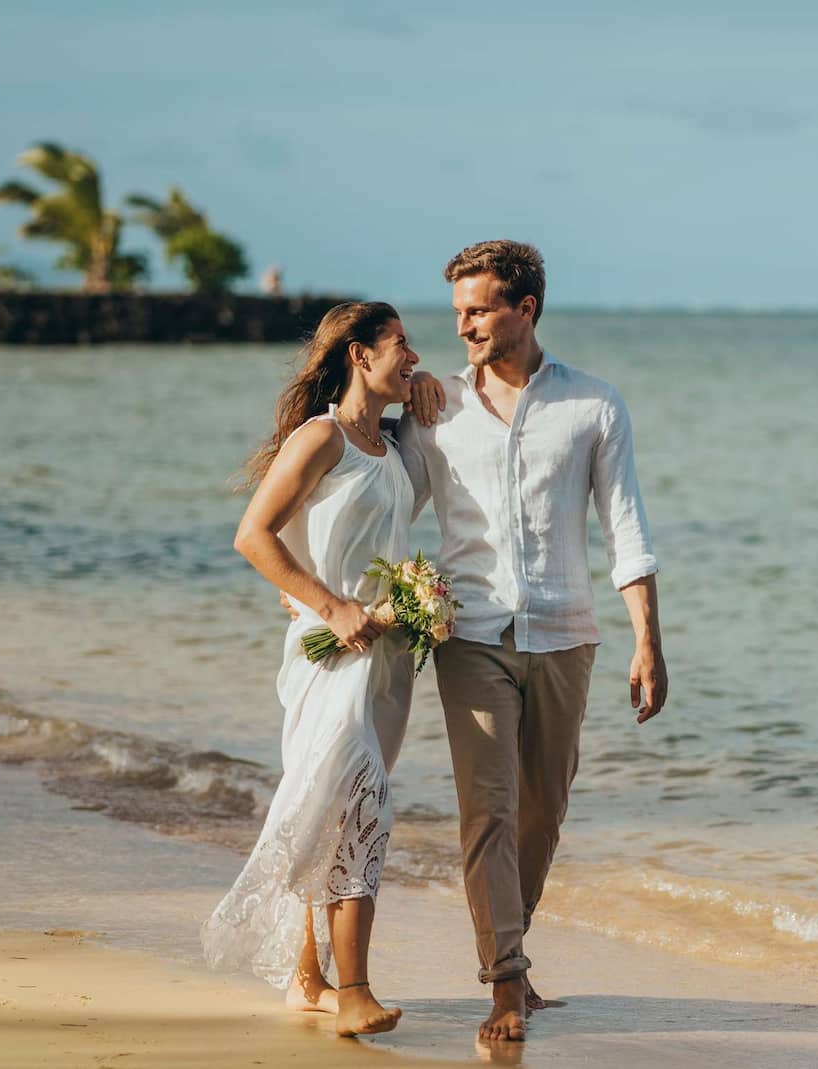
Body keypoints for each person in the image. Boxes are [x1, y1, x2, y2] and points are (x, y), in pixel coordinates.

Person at [400, 239, 669, 1043]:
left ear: (527, 308)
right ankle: (506, 983)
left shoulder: (593, 405)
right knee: (487, 808)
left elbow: (627, 529)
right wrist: (323, 585)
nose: (466, 328)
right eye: (458, 313)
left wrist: (648, 641)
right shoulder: (436, 408)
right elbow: (389, 499)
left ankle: (511, 952)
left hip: (565, 634)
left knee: (543, 812)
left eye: (479, 310)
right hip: (468, 631)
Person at [202, 301, 424, 1039]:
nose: (413, 355)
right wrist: (328, 607)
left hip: (384, 659)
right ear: (360, 355)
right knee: (362, 805)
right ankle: (354, 989)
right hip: (330, 654)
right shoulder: (323, 436)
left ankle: (308, 979)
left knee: (333, 805)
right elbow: (252, 535)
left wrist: (412, 607)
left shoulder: (390, 450)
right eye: (400, 345)